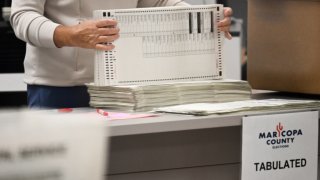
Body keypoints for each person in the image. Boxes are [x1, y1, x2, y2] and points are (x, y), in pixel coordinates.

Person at [10, 0, 233, 109]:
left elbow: (159, 2)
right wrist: (69, 34)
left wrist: (207, 17)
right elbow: (22, 16)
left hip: (121, 89)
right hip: (57, 89)